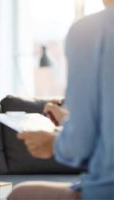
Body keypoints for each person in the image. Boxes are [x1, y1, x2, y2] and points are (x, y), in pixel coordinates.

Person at [8, 0, 114, 199]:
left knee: (21, 194)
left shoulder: (90, 30)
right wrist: (67, 120)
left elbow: (81, 146)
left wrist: (52, 143)